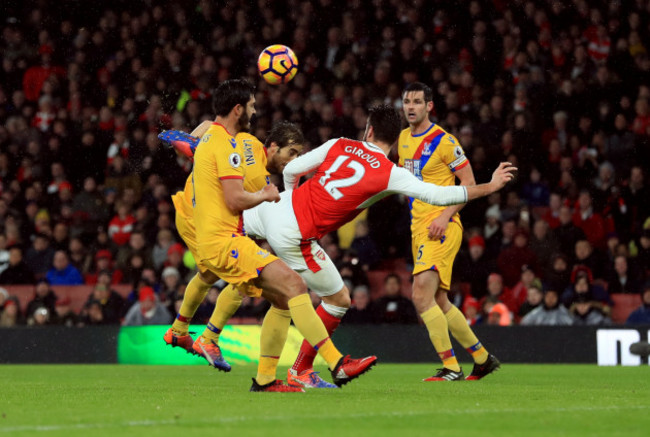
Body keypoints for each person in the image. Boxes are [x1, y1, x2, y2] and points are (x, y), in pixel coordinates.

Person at [168, 103, 515, 388]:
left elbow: (293, 169)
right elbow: (441, 194)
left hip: (272, 209)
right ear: (395, 139)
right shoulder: (390, 172)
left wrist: (290, 201)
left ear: (368, 130)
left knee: (245, 270)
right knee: (338, 299)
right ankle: (303, 368)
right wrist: (490, 186)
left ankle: (216, 342)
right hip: (295, 234)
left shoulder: (340, 144)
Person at [164, 78, 377, 392]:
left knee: (277, 296)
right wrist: (264, 195)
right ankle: (336, 363)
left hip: (223, 231)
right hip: (203, 224)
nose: (294, 163)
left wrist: (192, 146)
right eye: (292, 154)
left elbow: (203, 136)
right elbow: (233, 192)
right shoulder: (230, 145)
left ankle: (260, 376)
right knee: (289, 283)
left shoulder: (240, 143)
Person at [398, 82, 501, 381]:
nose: (411, 107)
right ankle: (482, 359)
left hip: (442, 226)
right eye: (407, 101)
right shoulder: (403, 138)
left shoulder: (444, 141)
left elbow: (468, 184)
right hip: (419, 227)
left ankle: (451, 367)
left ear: (429, 105)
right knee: (439, 301)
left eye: (417, 101)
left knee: (420, 296)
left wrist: (445, 216)